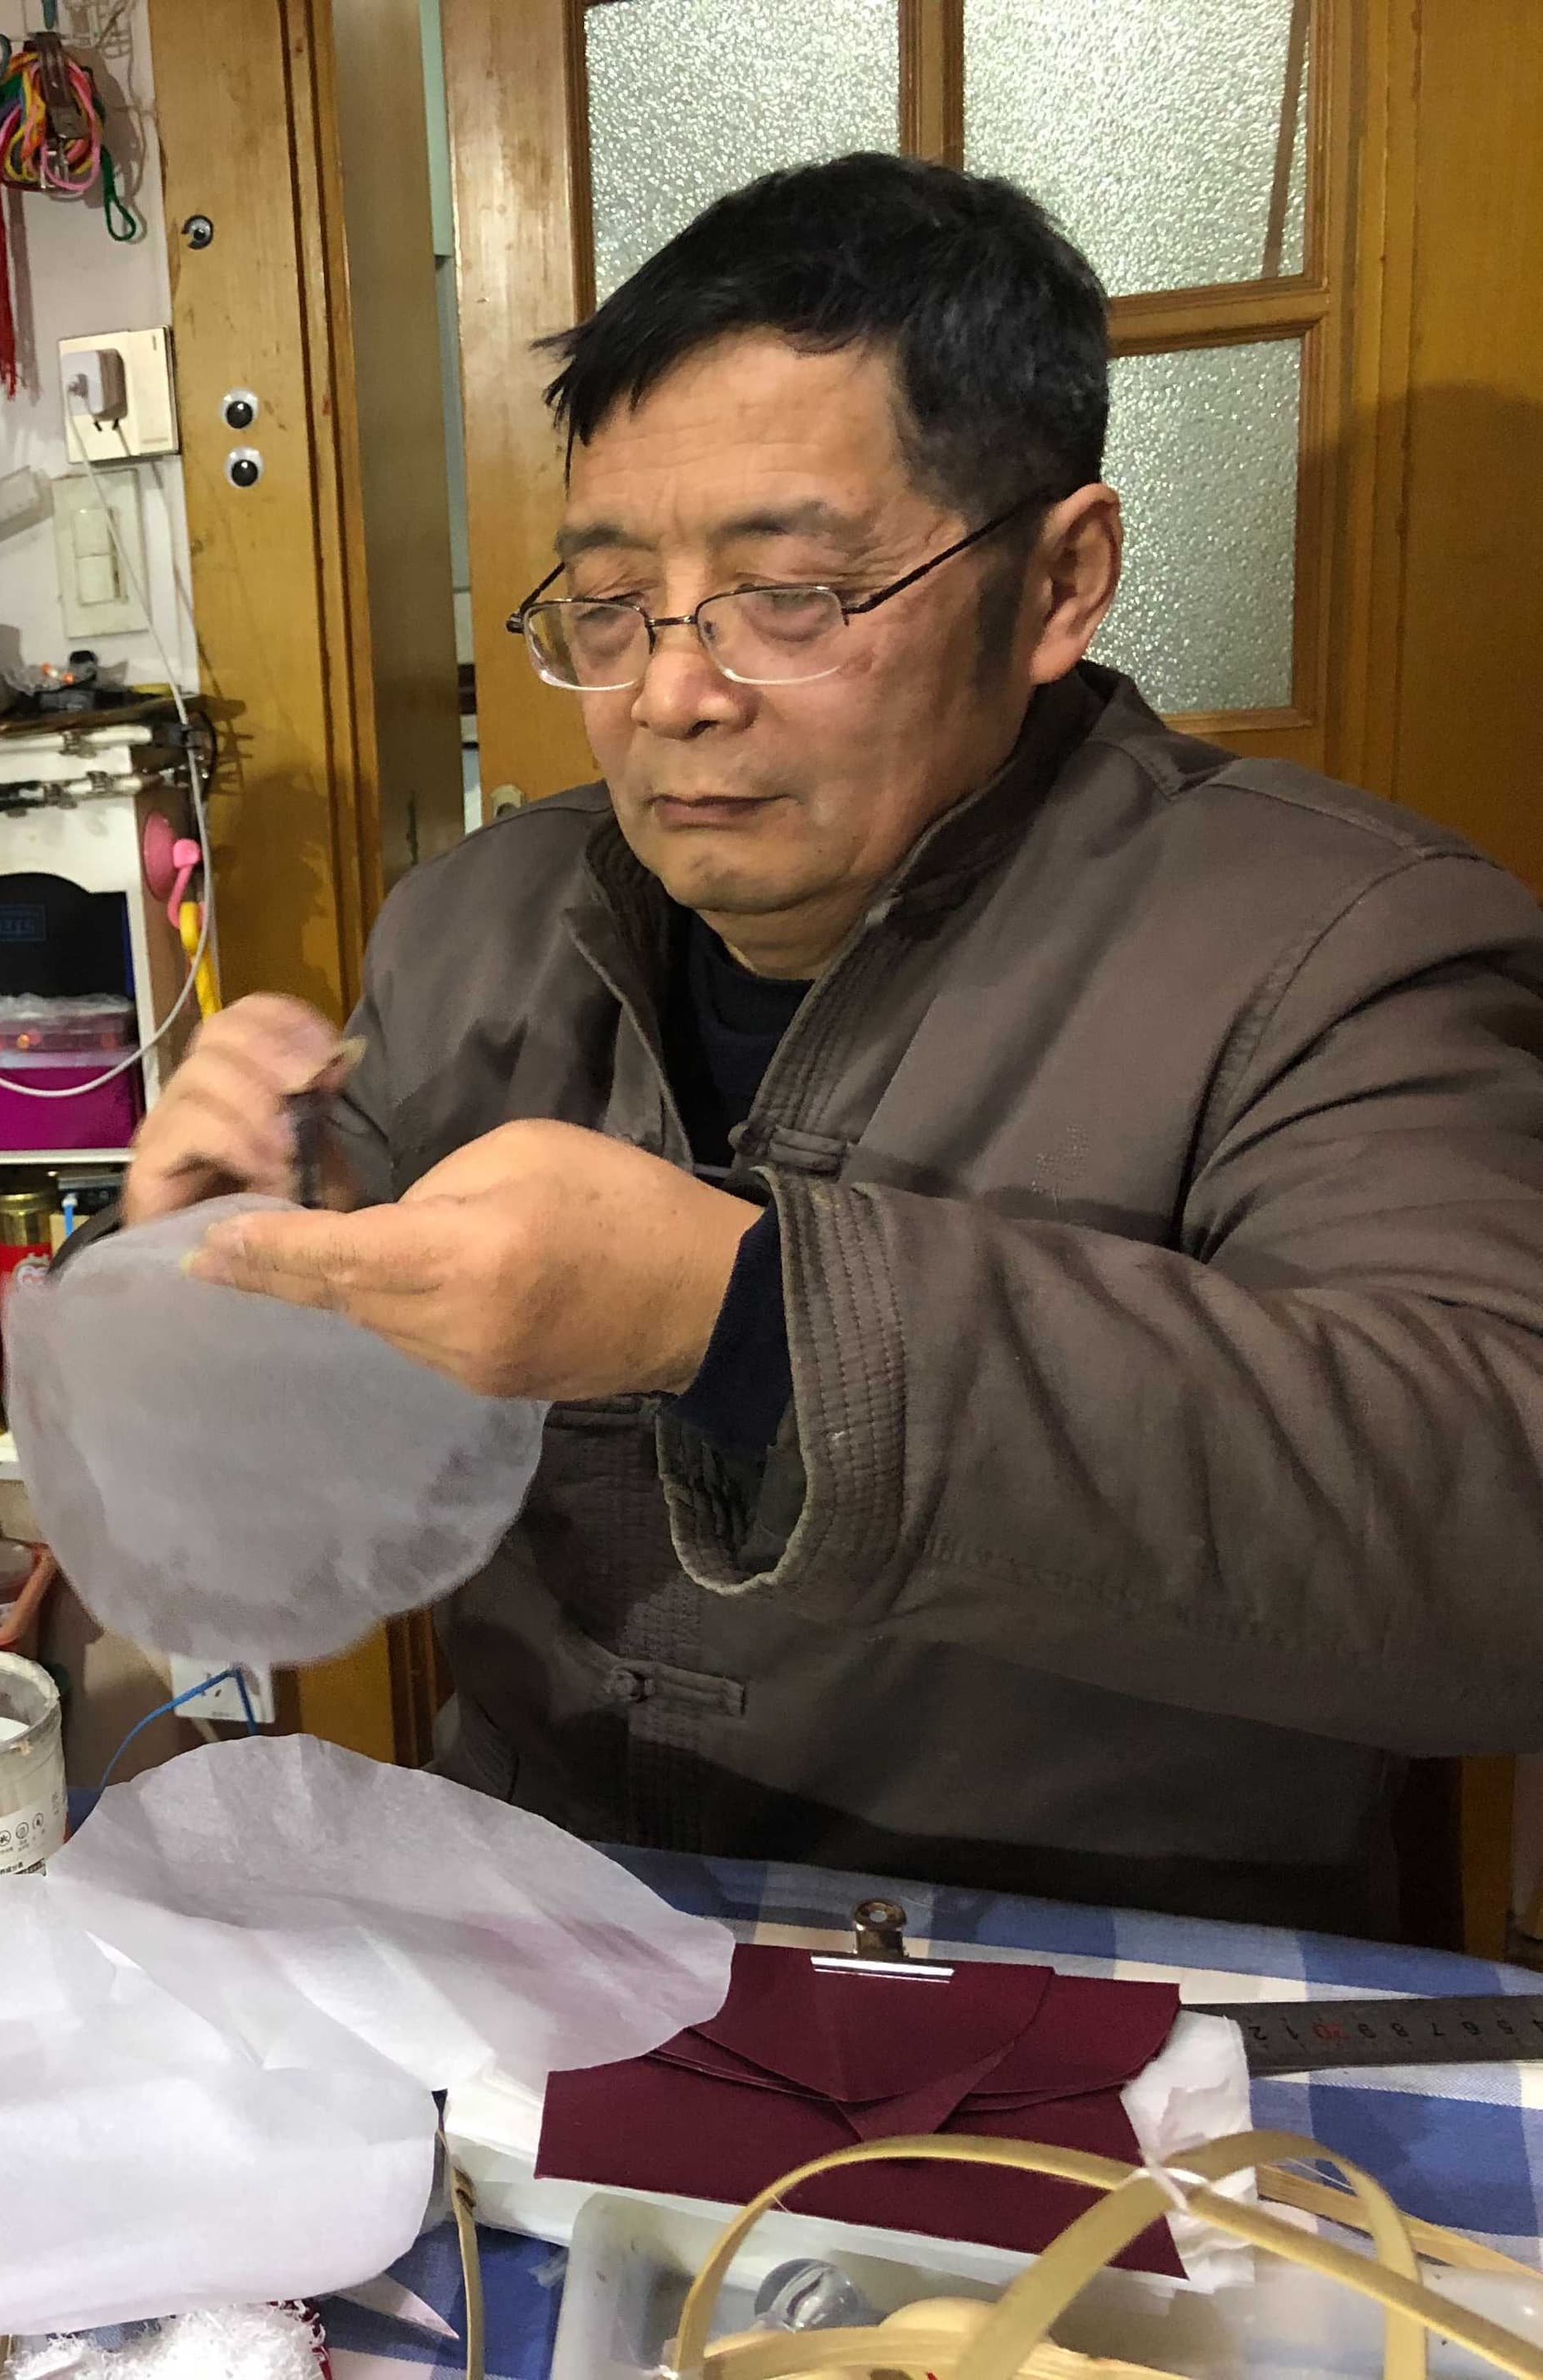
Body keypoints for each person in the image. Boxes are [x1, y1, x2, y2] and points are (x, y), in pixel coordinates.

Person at [122, 152, 1543, 1935]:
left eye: (790, 598)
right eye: (615, 602)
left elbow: (1501, 1536)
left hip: (1098, 1998)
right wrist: (215, 1273)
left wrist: (740, 1318)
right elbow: (314, 1517)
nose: (670, 693)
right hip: (548, 1932)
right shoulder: (473, 926)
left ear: (1057, 585)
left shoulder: (1340, 944)